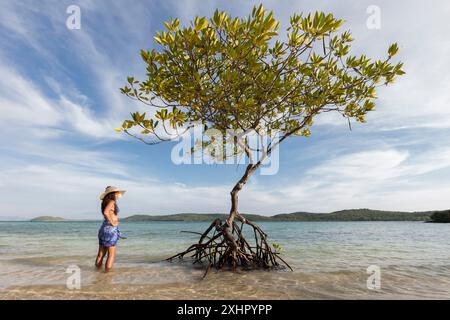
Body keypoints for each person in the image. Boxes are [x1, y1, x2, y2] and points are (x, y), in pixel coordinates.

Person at [95, 186, 126, 272]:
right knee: (111, 254)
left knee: (100, 254)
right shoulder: (112, 202)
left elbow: (106, 212)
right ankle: (106, 275)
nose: (117, 195)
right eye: (116, 193)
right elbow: (106, 212)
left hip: (103, 228)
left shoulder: (104, 202)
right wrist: (113, 223)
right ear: (112, 194)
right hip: (110, 230)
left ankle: (97, 272)